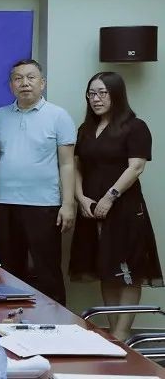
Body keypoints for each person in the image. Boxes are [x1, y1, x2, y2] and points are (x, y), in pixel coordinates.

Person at [70, 71, 163, 340]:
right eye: (91, 94)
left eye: (102, 93)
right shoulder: (85, 129)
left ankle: (123, 334)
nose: (96, 99)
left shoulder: (135, 126)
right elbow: (76, 167)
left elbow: (136, 167)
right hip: (91, 208)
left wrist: (110, 197)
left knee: (128, 269)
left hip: (125, 208)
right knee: (106, 268)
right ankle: (113, 333)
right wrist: (80, 197)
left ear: (117, 95)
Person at [0, 59, 76, 305]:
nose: (25, 83)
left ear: (42, 83)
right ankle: (12, 321)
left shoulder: (58, 116)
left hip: (44, 205)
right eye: (18, 78)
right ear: (11, 85)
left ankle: (56, 323)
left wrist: (68, 204)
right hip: (5, 203)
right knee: (9, 270)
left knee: (47, 269)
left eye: (31, 77)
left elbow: (67, 164)